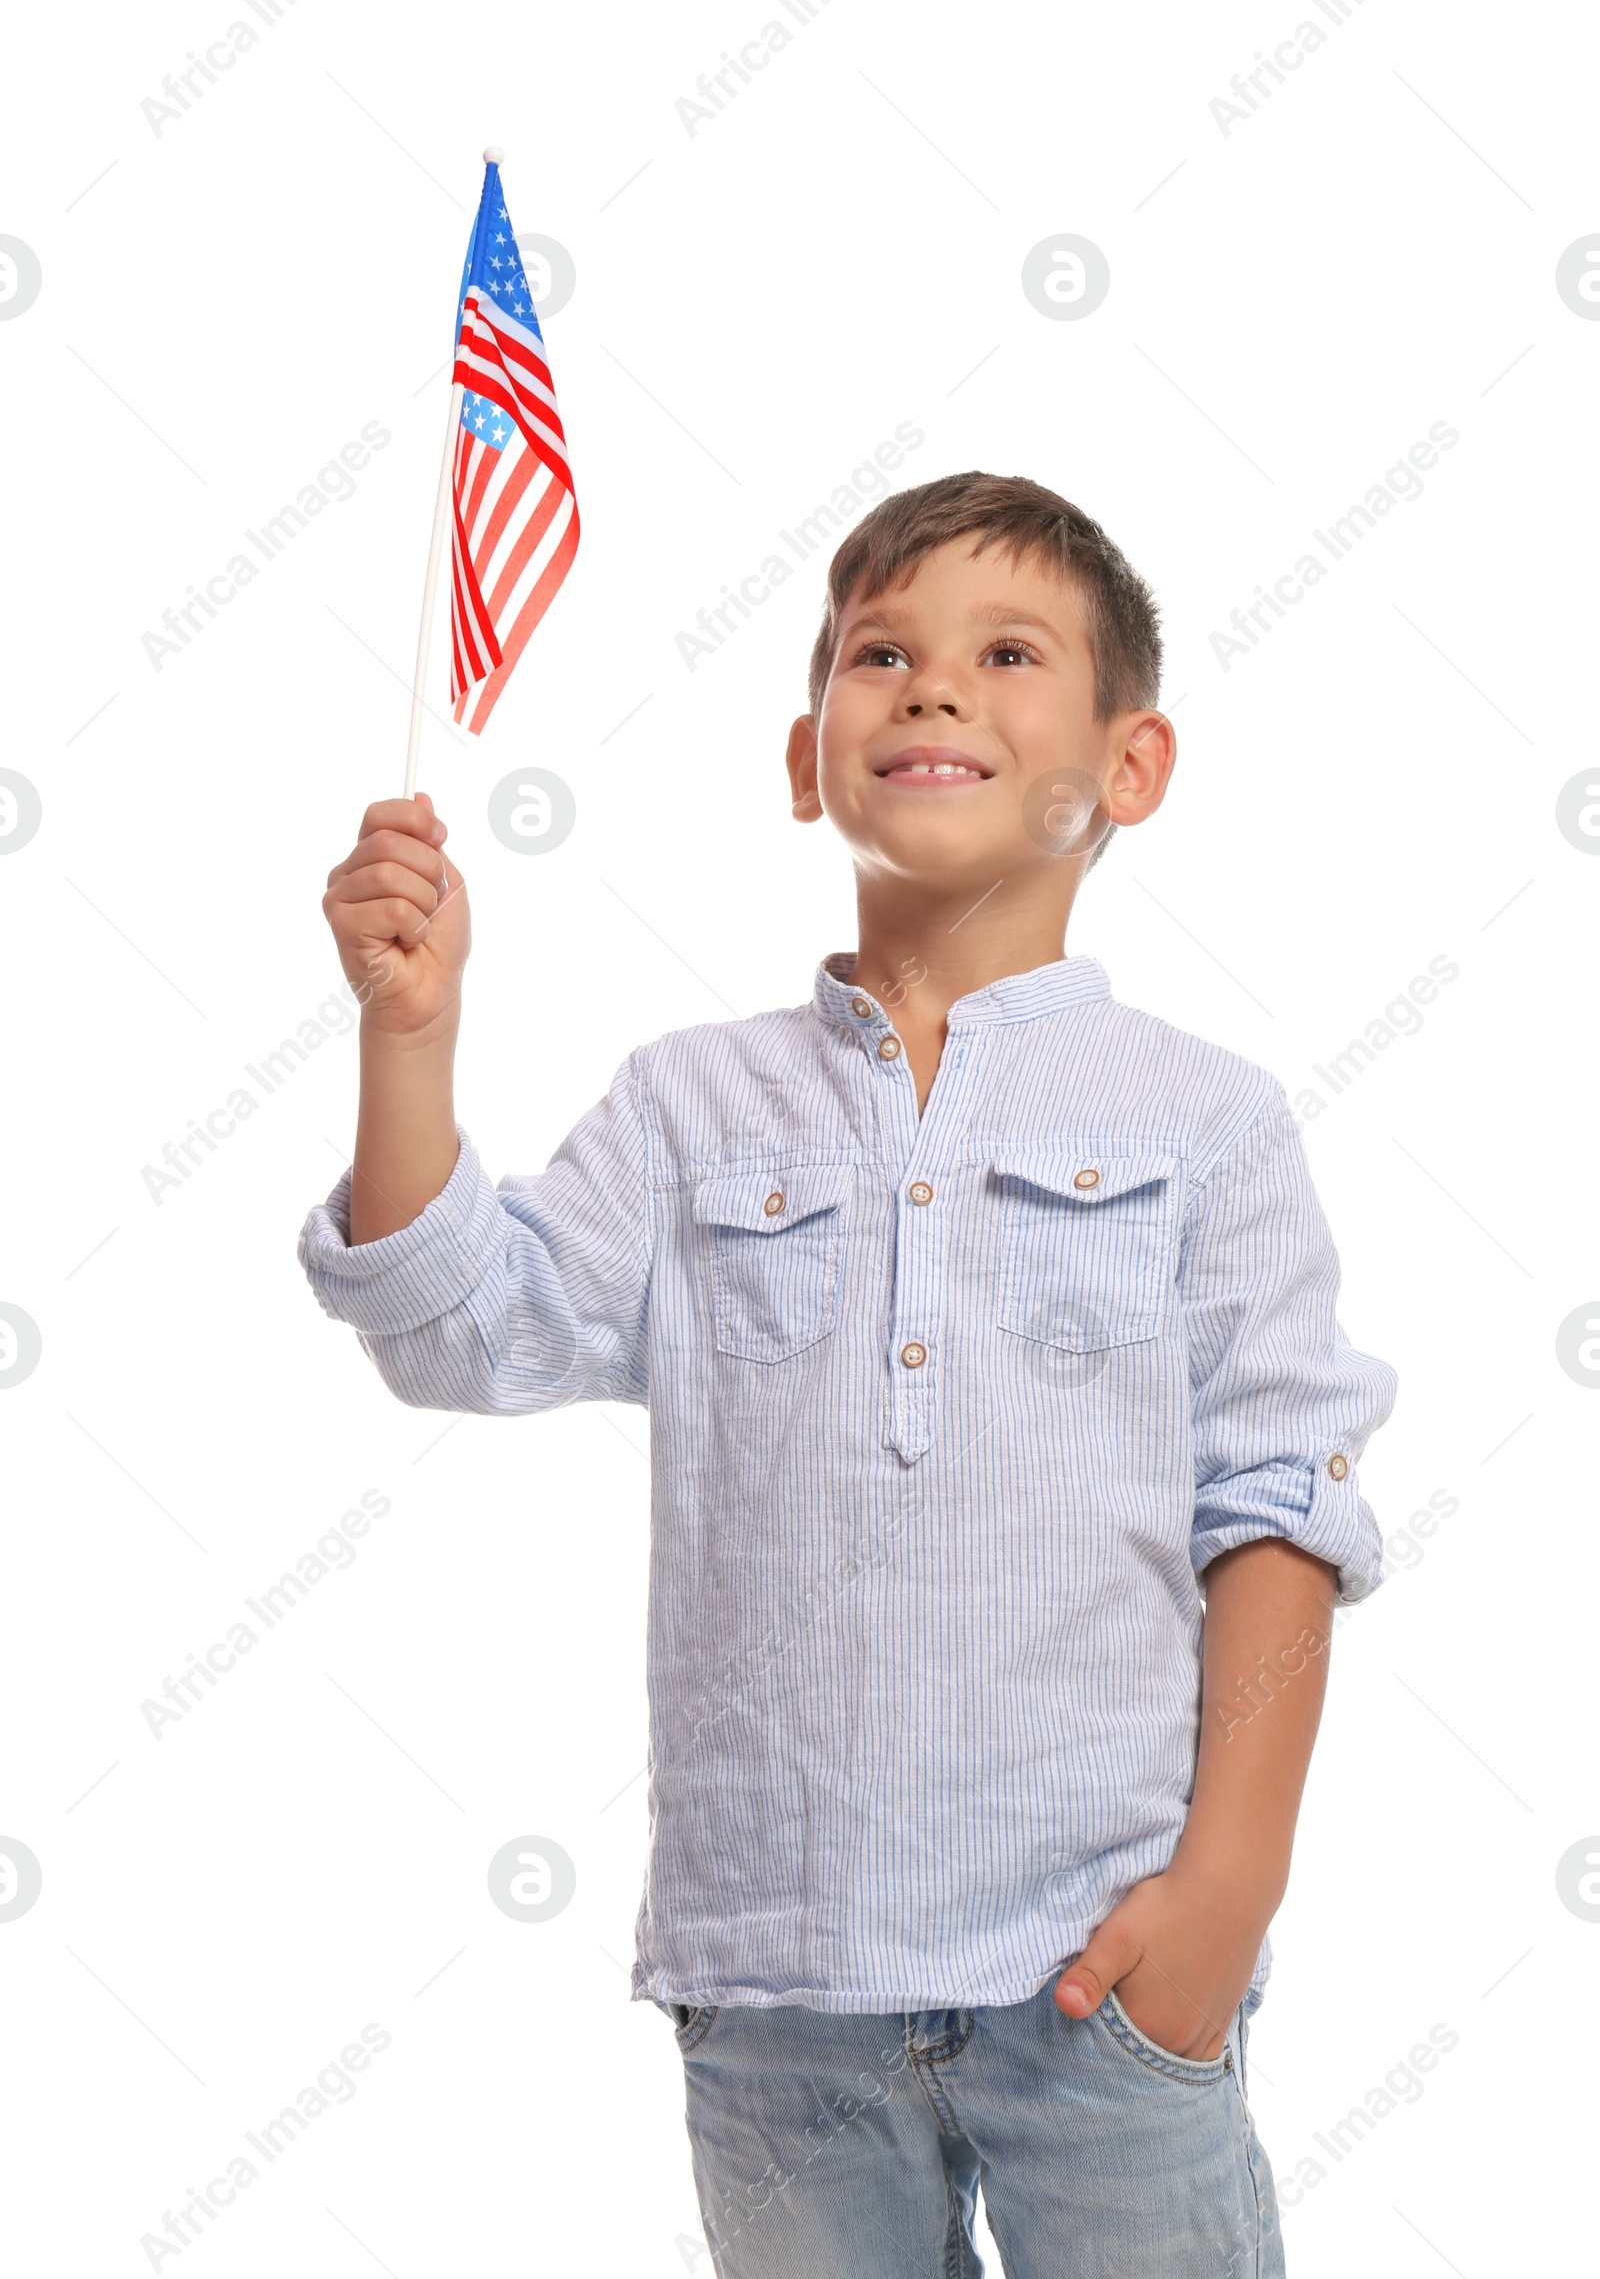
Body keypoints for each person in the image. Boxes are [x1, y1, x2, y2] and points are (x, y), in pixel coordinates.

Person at [299, 470, 1398, 2275]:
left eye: (1007, 652)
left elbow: (1280, 1505)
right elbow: (463, 1334)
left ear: (1130, 766)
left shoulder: (1207, 1120)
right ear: (806, 757)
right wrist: (409, 1039)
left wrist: (1227, 1895)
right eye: (880, 652)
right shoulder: (687, 1107)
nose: (934, 687)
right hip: (776, 1986)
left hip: (1102, 1972)